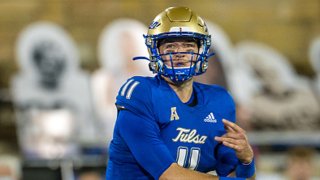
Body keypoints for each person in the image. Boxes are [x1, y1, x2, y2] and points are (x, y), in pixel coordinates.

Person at [106, 7, 255, 180]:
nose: (179, 53)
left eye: (188, 46)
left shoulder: (220, 100)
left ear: (202, 51)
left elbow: (235, 176)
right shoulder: (139, 92)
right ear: (155, 52)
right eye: (170, 47)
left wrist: (246, 161)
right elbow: (169, 176)